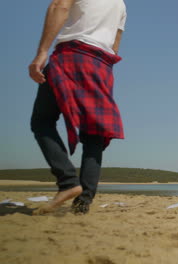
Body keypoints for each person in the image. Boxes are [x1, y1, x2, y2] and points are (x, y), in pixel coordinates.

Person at [29, 0, 127, 214]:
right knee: (94, 133)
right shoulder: (120, 4)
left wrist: (42, 51)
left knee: (42, 120)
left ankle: (67, 181)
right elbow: (115, 43)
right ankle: (83, 202)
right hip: (101, 65)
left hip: (72, 55)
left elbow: (59, 6)